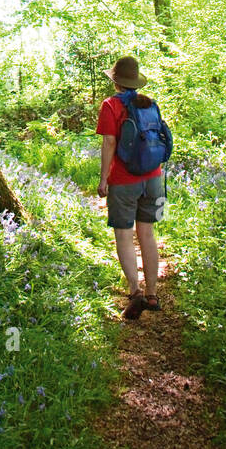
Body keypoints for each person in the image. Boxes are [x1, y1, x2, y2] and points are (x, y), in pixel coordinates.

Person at [96, 55, 163, 321]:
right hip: (153, 178)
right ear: (135, 81)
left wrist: (103, 179)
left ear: (116, 82)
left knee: (124, 236)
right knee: (147, 235)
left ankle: (135, 293)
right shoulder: (150, 103)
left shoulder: (111, 105)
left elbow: (109, 144)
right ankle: (153, 295)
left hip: (124, 182)